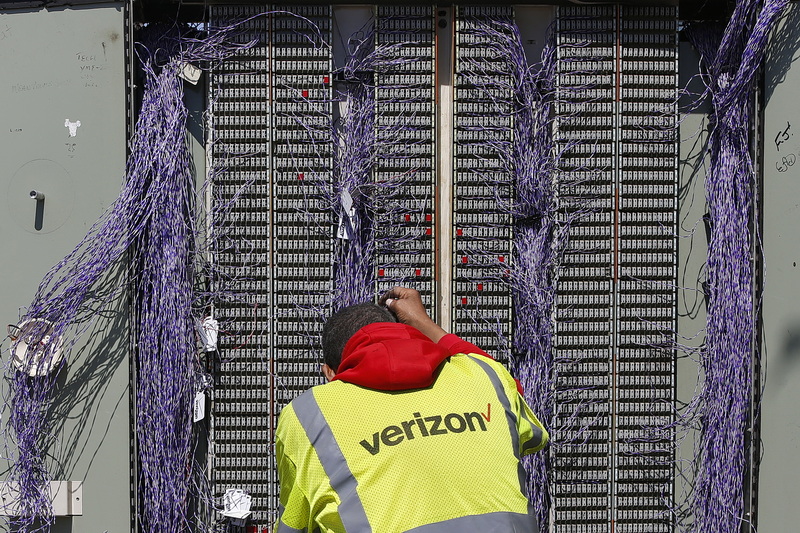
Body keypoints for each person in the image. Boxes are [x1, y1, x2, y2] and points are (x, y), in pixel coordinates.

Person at [274, 287, 548, 533]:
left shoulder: (308, 414)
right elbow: (515, 408)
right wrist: (424, 323)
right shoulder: (482, 376)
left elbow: (295, 522)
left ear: (330, 373)